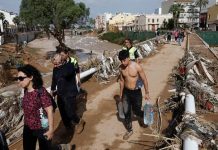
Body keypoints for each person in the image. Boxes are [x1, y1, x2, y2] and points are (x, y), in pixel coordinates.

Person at [16, 64, 54, 150]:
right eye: (18, 78)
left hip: (42, 127)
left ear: (31, 77)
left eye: (21, 78)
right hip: (28, 127)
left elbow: (49, 110)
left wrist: (51, 130)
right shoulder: (25, 90)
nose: (19, 81)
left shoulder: (41, 91)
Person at [51, 47, 85, 134]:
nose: (54, 66)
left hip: (70, 92)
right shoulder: (55, 68)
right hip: (60, 93)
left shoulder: (70, 65)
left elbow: (67, 73)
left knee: (70, 112)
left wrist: (60, 66)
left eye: (56, 63)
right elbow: (54, 79)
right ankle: (68, 127)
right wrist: (52, 89)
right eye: (54, 64)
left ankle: (79, 121)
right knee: (62, 112)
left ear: (61, 61)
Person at [118, 50, 150, 140]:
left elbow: (144, 79)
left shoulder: (136, 67)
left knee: (136, 111)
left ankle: (144, 115)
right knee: (126, 112)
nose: (122, 62)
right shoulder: (121, 68)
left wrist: (147, 93)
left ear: (128, 58)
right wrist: (121, 94)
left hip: (136, 93)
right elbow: (121, 81)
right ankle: (129, 130)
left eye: (124, 60)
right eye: (121, 61)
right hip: (126, 92)